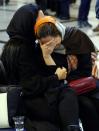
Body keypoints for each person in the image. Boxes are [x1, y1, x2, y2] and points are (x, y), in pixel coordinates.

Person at [1, 4, 81, 131]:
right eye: (39, 19)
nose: (42, 23)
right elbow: (30, 86)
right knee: (67, 93)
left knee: (68, 93)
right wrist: (55, 77)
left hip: (32, 97)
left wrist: (47, 56)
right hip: (27, 102)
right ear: (29, 23)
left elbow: (49, 76)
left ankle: (73, 127)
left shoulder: (24, 45)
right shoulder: (23, 50)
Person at [34, 15, 99, 131]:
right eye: (46, 44)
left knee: (92, 103)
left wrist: (65, 77)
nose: (52, 46)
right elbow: (49, 76)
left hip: (81, 82)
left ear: (58, 33)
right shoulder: (42, 50)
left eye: (54, 41)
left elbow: (85, 69)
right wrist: (47, 56)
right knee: (85, 105)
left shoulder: (76, 37)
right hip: (60, 90)